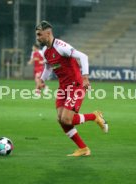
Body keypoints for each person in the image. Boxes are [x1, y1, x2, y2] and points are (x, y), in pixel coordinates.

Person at [35, 20, 108, 156]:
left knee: (67, 119)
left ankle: (94, 116)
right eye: (37, 35)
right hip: (63, 87)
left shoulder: (61, 46)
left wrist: (85, 77)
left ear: (48, 33)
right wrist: (41, 80)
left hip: (76, 85)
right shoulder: (46, 51)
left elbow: (83, 56)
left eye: (39, 35)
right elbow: (48, 67)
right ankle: (83, 149)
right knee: (60, 119)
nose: (38, 38)